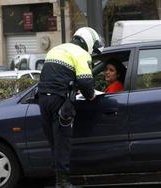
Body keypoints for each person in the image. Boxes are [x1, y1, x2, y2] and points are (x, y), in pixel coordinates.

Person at [38, 27, 104, 188]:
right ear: (88, 41)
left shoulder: (56, 49)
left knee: (54, 142)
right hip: (60, 100)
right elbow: (85, 81)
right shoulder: (81, 53)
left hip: (43, 99)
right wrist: (90, 95)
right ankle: (62, 183)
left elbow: (56, 75)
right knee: (62, 141)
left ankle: (56, 179)